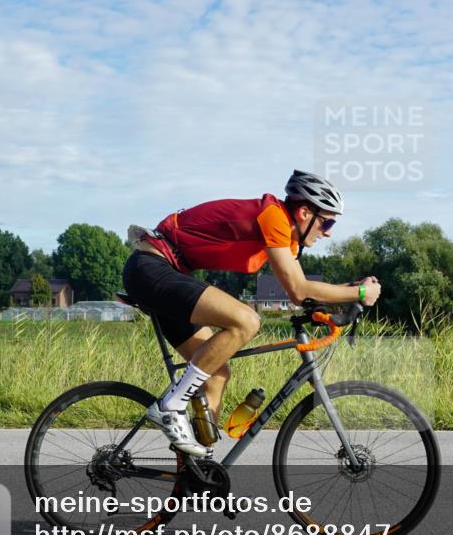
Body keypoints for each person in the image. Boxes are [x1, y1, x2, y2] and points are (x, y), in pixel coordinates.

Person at [122, 170, 382, 457]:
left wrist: (349, 290)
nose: (329, 231)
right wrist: (360, 293)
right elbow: (299, 289)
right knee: (246, 320)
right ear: (305, 213)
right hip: (151, 269)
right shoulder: (273, 217)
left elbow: (299, 292)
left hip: (168, 274)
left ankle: (197, 470)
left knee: (216, 374)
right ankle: (170, 407)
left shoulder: (285, 235)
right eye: (327, 222)